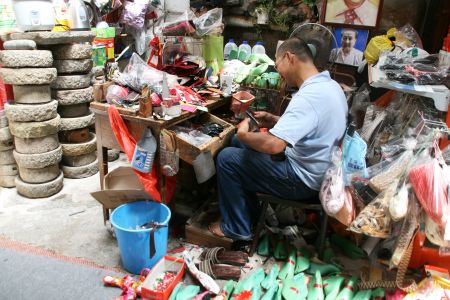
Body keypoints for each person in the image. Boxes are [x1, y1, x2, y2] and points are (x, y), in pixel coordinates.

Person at [209, 38, 348, 240]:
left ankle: (237, 227)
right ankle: (252, 215)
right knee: (239, 146)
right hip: (321, 170)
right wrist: (275, 120)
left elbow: (274, 146)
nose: (278, 71)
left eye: (277, 64)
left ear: (289, 58)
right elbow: (312, 123)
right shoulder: (330, 86)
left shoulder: (309, 97)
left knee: (227, 158)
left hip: (304, 181)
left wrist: (244, 133)